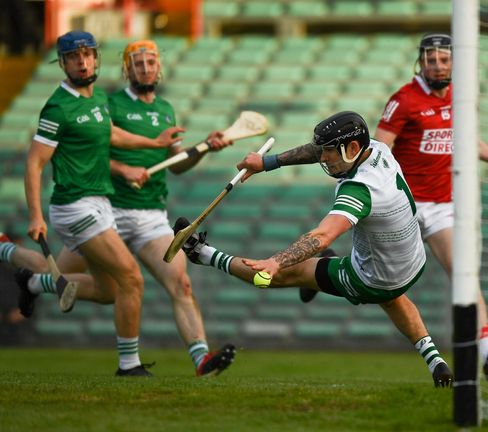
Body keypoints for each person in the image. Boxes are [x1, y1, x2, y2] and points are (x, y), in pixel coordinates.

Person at [177, 111, 454, 387]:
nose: (324, 158)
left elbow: (322, 235)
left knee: (287, 274)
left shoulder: (360, 189)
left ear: (352, 148)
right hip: (413, 261)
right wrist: (267, 162)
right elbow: (313, 151)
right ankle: (435, 361)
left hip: (370, 278)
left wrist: (276, 262)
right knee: (393, 296)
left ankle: (201, 253)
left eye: (330, 152)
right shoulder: (376, 148)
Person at [50, 39, 237, 377]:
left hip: (151, 216)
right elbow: (89, 153)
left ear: (158, 68)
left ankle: (202, 360)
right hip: (107, 211)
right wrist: (124, 170)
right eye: (138, 64)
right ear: (127, 70)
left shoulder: (165, 109)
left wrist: (205, 147)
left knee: (181, 284)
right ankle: (29, 279)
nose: (146, 69)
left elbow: (177, 164)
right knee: (57, 276)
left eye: (151, 63)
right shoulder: (110, 104)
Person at [25, 30, 180, 377]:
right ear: (62, 63)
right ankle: (129, 365)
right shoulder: (58, 107)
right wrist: (35, 214)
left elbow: (111, 133)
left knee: (109, 291)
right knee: (132, 278)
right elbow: (34, 163)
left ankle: (35, 282)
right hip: (74, 206)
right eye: (73, 57)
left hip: (100, 203)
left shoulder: (96, 98)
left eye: (87, 55)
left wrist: (156, 143)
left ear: (96, 58)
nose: (81, 63)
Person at [351, 33, 488, 380]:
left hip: (440, 206)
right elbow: (379, 148)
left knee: (464, 272)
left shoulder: (461, 98)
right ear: (420, 63)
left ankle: (487, 354)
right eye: (431, 60)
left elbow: (466, 140)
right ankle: (327, 266)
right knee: (377, 282)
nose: (438, 66)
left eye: (444, 60)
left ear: (454, 63)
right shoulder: (404, 100)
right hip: (402, 206)